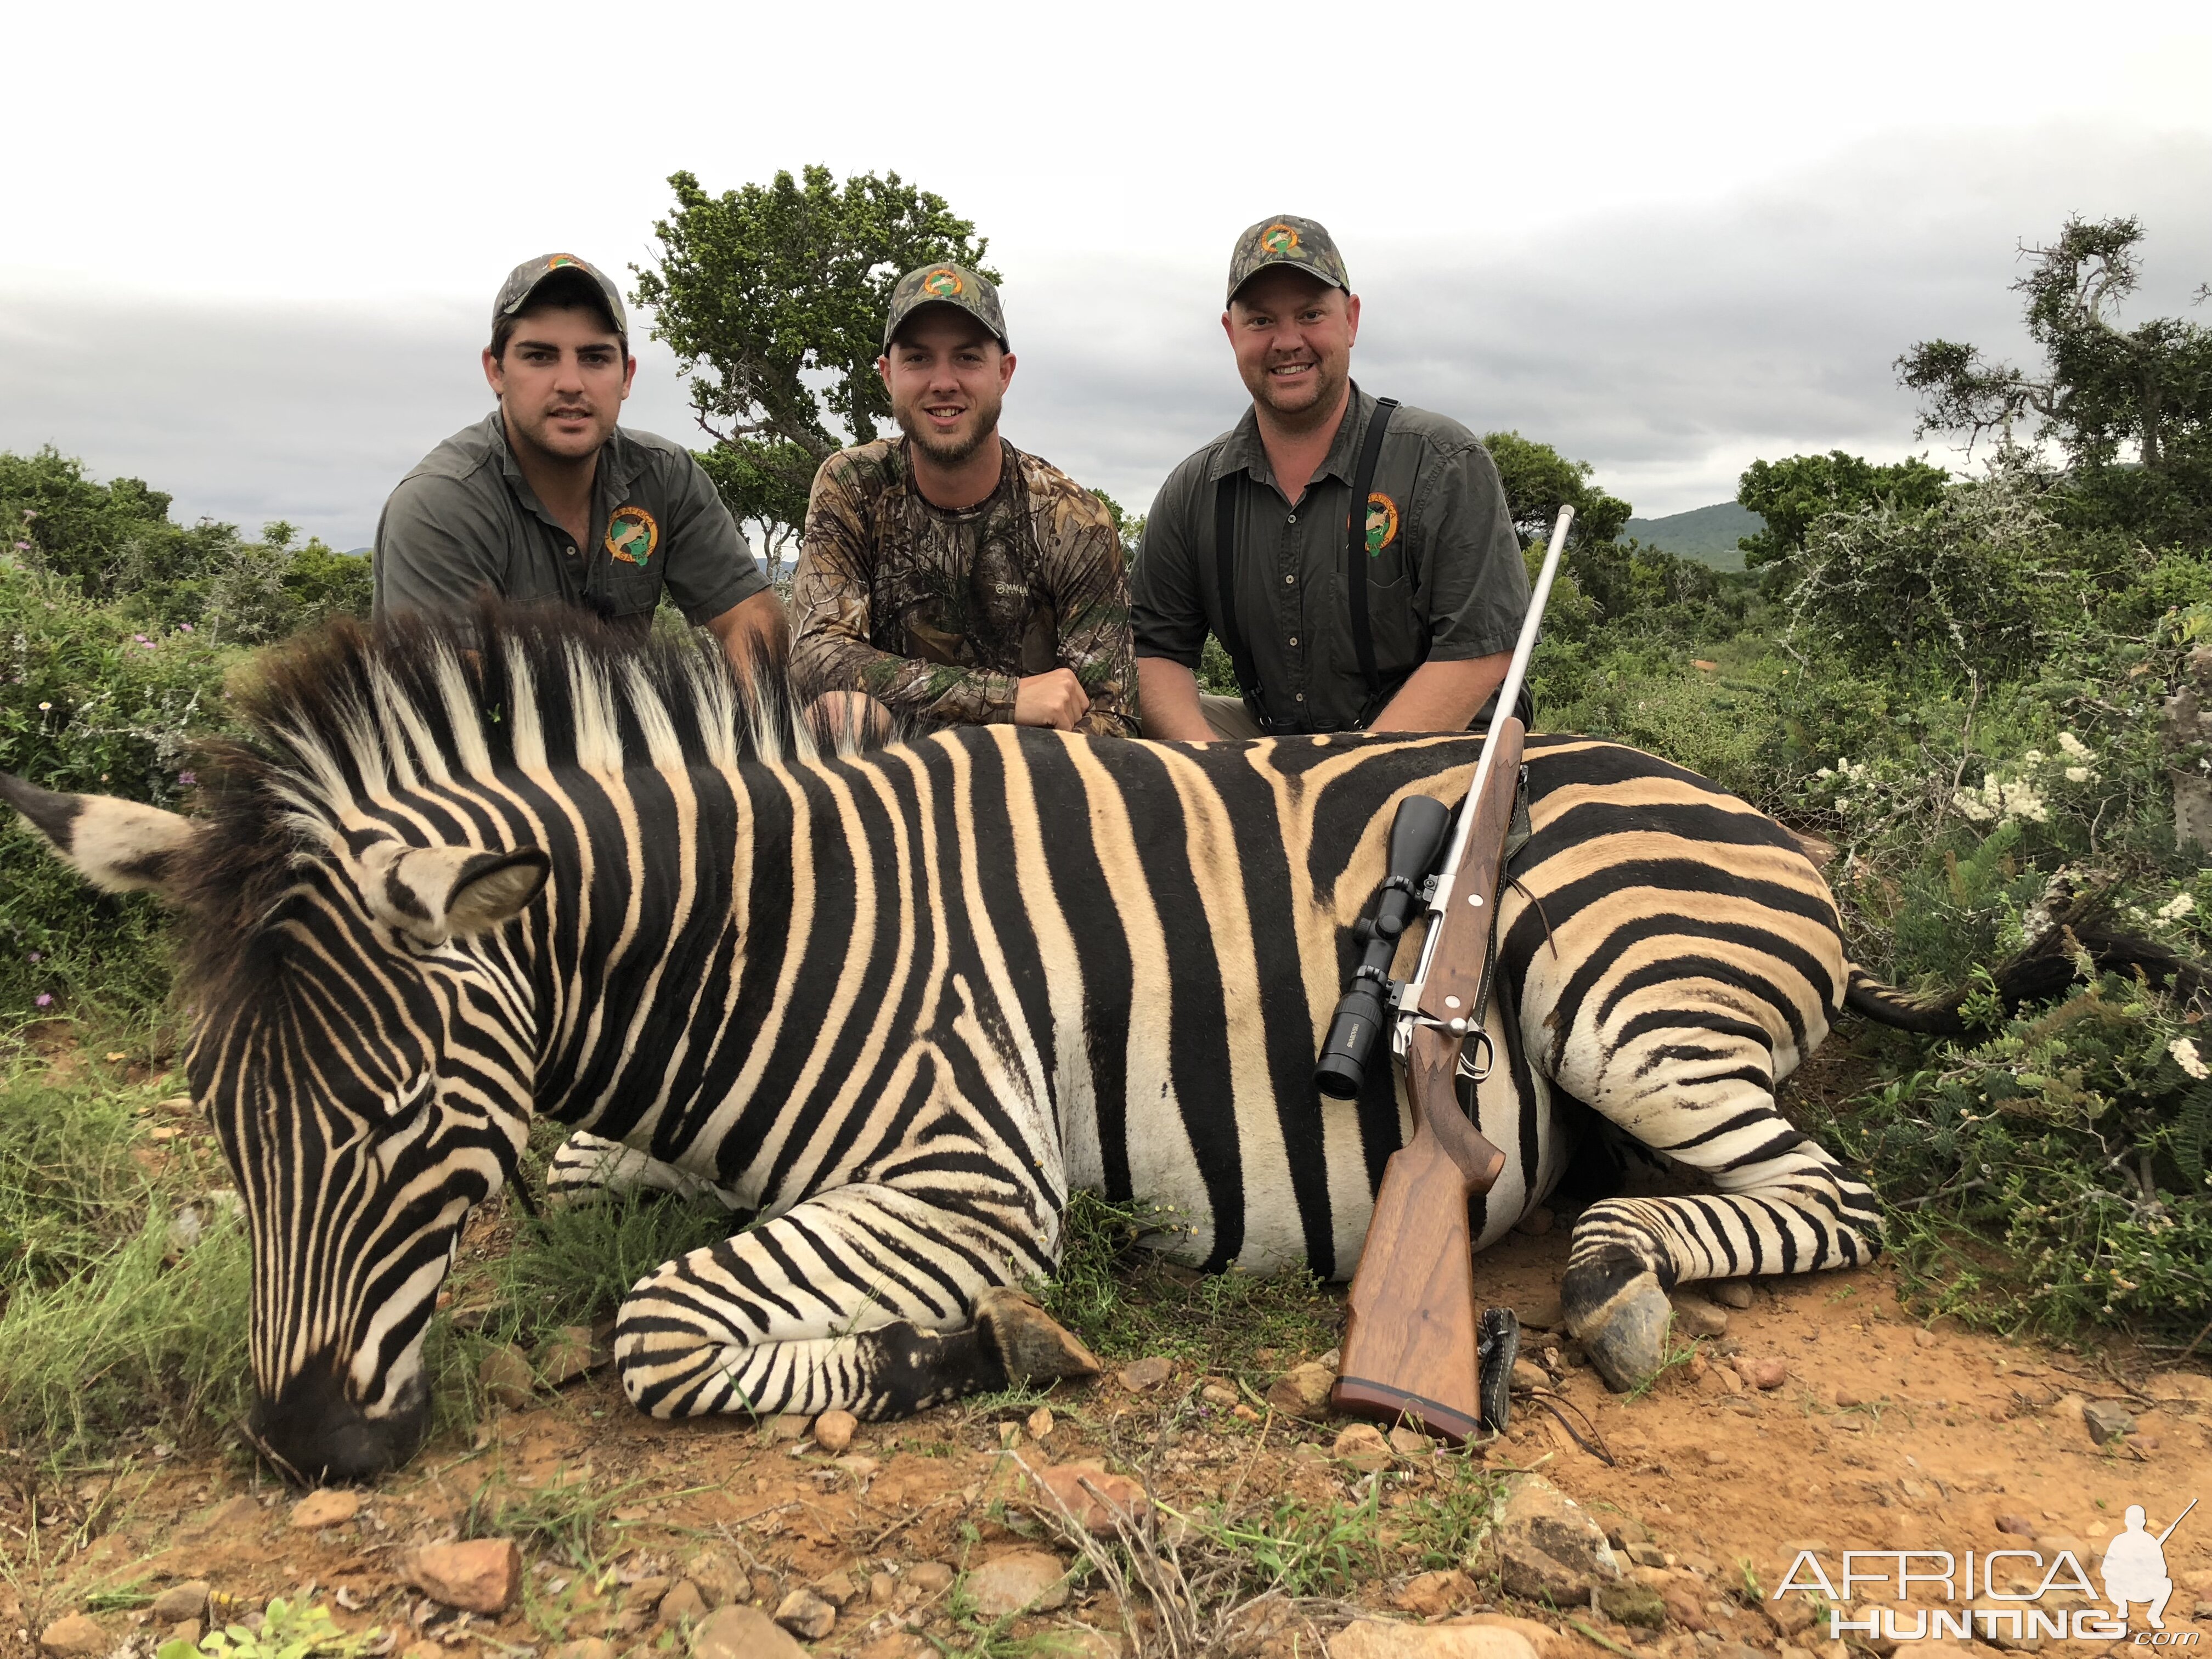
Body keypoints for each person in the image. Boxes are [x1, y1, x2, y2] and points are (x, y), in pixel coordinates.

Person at [1130, 216, 1529, 740]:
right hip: (1279, 739)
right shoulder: (1193, 491)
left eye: (1311, 314)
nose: (1287, 341)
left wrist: (1347, 782)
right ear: (1231, 334)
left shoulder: (1442, 460)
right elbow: (1152, 650)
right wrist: (1211, 771)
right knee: (1120, 732)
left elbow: (1481, 653)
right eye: (1261, 321)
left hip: (1437, 740)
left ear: (1351, 320)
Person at [373, 252, 786, 673]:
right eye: (539, 356)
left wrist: (750, 724)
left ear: (626, 377)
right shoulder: (440, 504)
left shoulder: (664, 475)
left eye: (595, 358)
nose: (570, 383)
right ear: (496, 371)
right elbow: (458, 705)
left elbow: (752, 616)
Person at [787, 261, 1137, 738]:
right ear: (888, 375)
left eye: (968, 358)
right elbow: (817, 659)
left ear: (1004, 374)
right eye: (918, 359)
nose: (943, 382)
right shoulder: (852, 484)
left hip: (1027, 776)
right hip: (887, 779)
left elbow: (1112, 720)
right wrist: (1007, 697)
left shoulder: (1074, 520)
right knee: (838, 716)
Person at [2100, 1504, 2176, 1628]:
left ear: (2126, 1522)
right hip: (2140, 1591)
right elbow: (2162, 1571)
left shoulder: (2118, 1540)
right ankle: (2154, 1615)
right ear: (2144, 1522)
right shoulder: (2150, 1541)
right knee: (2167, 1584)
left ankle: (2122, 1607)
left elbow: (2106, 1569)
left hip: (2119, 1591)